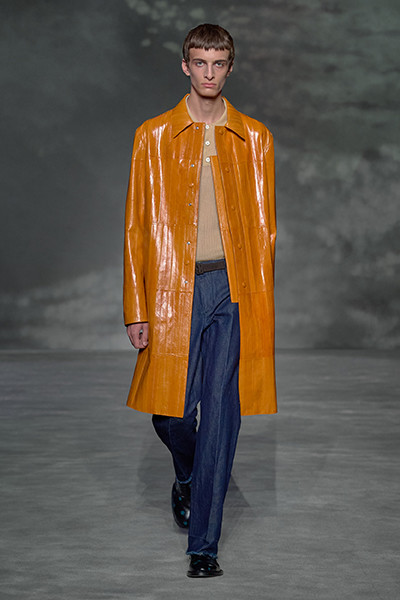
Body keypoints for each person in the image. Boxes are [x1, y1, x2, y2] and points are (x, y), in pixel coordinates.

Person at [124, 23, 277, 578]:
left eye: (219, 63)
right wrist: (136, 308)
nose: (209, 73)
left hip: (231, 289)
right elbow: (137, 226)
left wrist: (257, 305)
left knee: (219, 416)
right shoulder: (154, 136)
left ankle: (204, 547)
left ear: (229, 68)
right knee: (169, 414)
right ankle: (190, 475)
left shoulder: (254, 138)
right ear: (185, 66)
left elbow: (265, 231)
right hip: (173, 289)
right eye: (200, 62)